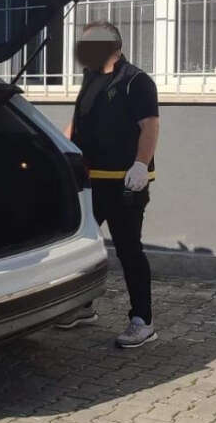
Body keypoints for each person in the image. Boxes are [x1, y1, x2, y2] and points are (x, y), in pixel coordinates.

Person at [56, 21, 160, 348]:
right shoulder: (91, 77)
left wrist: (141, 165)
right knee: (82, 246)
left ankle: (142, 320)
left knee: (129, 250)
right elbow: (79, 120)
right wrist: (64, 150)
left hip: (125, 183)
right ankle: (82, 308)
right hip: (91, 180)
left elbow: (150, 126)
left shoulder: (136, 81)